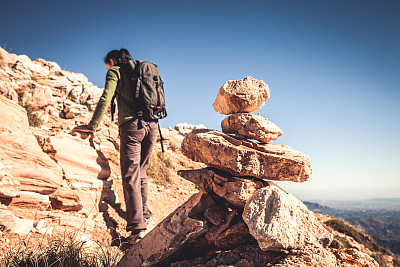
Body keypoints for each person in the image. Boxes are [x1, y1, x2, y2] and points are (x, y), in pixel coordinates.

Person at [73, 48, 158, 244]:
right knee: (142, 172)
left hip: (132, 127)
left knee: (130, 175)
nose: (107, 68)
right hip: (153, 126)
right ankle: (145, 216)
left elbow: (106, 97)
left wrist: (92, 125)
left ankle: (137, 230)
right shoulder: (143, 70)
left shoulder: (115, 71)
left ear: (112, 61)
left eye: (107, 65)